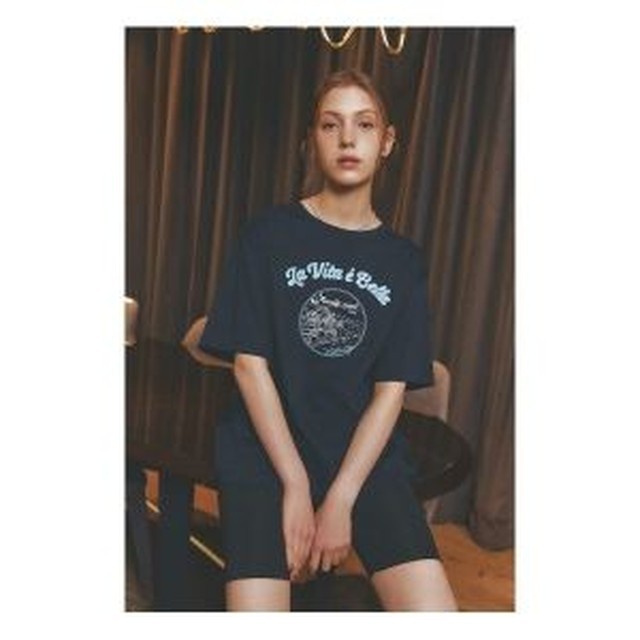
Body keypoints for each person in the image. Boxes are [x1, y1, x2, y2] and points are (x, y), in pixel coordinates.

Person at [199, 69, 458, 611]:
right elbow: (249, 365)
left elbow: (390, 391)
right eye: (330, 124)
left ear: (387, 142)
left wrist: (341, 497)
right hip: (265, 452)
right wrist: (295, 484)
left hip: (362, 457)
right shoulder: (266, 235)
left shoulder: (403, 261)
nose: (347, 139)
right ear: (312, 139)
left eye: (364, 125)